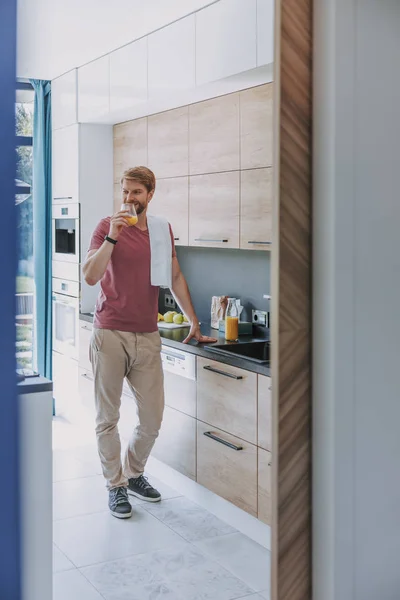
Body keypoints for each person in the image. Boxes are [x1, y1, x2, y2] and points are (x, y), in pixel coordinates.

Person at [83, 166, 216, 519]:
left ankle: (133, 472)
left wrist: (194, 320)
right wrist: (112, 235)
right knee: (107, 418)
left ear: (150, 194)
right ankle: (116, 486)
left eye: (136, 193)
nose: (128, 199)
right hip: (109, 332)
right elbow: (91, 276)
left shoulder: (161, 229)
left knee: (153, 417)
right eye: (125, 191)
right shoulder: (105, 226)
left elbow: (173, 274)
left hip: (148, 333)